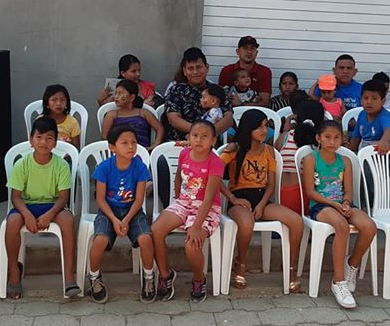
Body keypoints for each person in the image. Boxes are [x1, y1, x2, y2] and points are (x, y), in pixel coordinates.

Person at [219, 109, 303, 293]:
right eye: (259, 127)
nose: (265, 130)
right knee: (246, 223)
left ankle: (290, 267)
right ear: (248, 128)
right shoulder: (234, 149)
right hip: (239, 198)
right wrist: (232, 198)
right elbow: (213, 175)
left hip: (262, 199)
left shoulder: (269, 151)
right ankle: (241, 263)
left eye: (266, 126)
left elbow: (271, 185)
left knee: (296, 221)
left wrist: (262, 204)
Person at [302, 121, 377, 309]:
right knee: (341, 226)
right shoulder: (311, 159)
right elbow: (310, 192)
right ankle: (338, 282)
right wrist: (333, 204)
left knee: (369, 226)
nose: (332, 142)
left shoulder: (345, 161)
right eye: (327, 137)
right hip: (321, 206)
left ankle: (351, 264)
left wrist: (345, 203)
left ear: (342, 139)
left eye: (337, 138)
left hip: (342, 205)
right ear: (318, 138)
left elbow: (349, 191)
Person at [4, 116, 79, 299]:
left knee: (68, 219)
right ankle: (14, 272)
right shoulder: (22, 164)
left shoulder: (61, 165)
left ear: (55, 142)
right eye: (38, 137)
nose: (43, 142)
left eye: (49, 138)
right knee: (12, 222)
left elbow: (63, 198)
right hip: (26, 205)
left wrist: (49, 215)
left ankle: (69, 276)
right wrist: (27, 214)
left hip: (52, 205)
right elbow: (15, 197)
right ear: (31, 140)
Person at [152, 121, 224, 302]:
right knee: (155, 231)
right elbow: (178, 177)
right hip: (184, 202)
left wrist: (196, 226)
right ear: (189, 137)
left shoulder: (215, 162)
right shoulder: (184, 153)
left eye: (204, 137)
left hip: (206, 207)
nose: (198, 140)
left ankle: (199, 279)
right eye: (195, 136)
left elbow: (209, 197)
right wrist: (178, 200)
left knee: (192, 244)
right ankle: (165, 274)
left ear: (213, 140)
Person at [88, 125, 156, 303]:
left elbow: (139, 199)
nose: (131, 146)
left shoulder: (140, 167)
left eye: (134, 142)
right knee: (99, 240)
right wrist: (114, 219)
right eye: (124, 143)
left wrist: (125, 220)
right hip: (108, 212)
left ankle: (149, 277)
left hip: (133, 212)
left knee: (146, 239)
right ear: (112, 147)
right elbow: (100, 199)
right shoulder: (104, 168)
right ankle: (94, 277)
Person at [163, 47, 234, 141]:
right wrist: (198, 132)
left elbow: (229, 119)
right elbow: (173, 119)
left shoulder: (217, 90)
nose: (195, 72)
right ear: (184, 71)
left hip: (210, 143)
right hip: (180, 143)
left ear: (207, 68)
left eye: (199, 67)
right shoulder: (176, 90)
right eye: (190, 68)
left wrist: (208, 133)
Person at [275, 99, 323, 215]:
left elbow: (275, 155)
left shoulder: (285, 136)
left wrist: (287, 123)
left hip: (280, 197)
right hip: (307, 199)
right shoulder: (320, 141)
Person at [100, 79, 163, 150]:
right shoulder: (111, 115)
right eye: (116, 93)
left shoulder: (143, 113)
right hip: (119, 152)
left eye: (120, 93)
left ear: (132, 97)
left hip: (142, 151)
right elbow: (104, 137)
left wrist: (154, 146)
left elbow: (159, 128)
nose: (116, 97)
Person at [217, 36, 271, 107]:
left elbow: (264, 103)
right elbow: (220, 98)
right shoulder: (227, 71)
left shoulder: (264, 72)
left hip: (256, 112)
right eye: (245, 48)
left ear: (256, 52)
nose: (249, 52)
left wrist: (241, 105)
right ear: (237, 51)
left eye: (252, 48)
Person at [348, 80, 390, 152]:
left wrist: (384, 141)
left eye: (374, 99)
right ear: (361, 100)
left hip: (386, 156)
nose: (369, 102)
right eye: (365, 98)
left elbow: (389, 130)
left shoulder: (385, 116)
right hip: (366, 153)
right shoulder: (362, 114)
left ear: (383, 101)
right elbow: (356, 139)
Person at [40, 84, 81, 149]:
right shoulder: (40, 121)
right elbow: (36, 142)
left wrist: (66, 144)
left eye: (62, 100)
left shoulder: (72, 122)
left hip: (66, 154)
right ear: (47, 104)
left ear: (67, 104)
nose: (58, 103)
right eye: (54, 100)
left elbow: (76, 147)